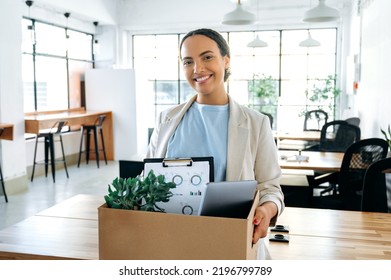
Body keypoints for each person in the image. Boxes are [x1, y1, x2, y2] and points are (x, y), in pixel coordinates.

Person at [146, 28, 284, 244]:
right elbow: (147, 180)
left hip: (229, 240)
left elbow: (270, 188)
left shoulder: (257, 123)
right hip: (171, 238)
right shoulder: (166, 120)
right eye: (188, 61)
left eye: (207, 57)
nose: (197, 69)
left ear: (226, 60)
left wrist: (267, 209)